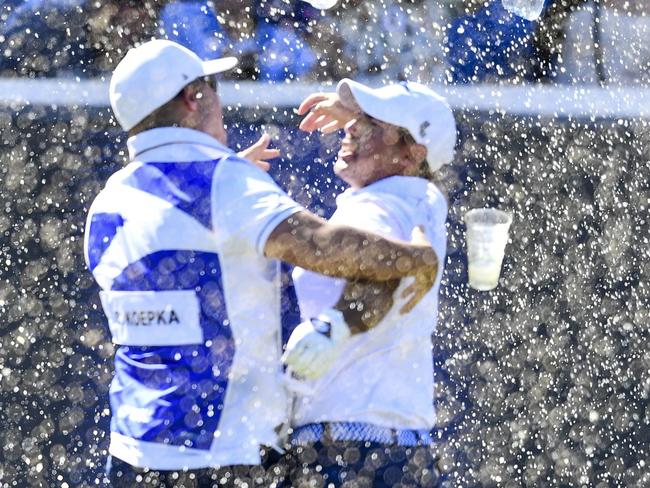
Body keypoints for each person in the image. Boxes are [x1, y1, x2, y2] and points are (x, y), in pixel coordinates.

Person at [83, 39, 439, 486]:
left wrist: (227, 181)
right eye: (212, 85)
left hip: (131, 451)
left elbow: (176, 251)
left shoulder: (107, 201)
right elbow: (324, 246)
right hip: (224, 452)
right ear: (194, 98)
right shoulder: (223, 182)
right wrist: (416, 258)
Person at [281, 78, 457, 487]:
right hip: (391, 451)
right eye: (356, 119)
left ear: (413, 154)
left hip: (352, 450)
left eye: (371, 124)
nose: (350, 128)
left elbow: (384, 271)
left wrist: (336, 326)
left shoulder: (386, 200)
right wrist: (369, 123)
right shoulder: (417, 197)